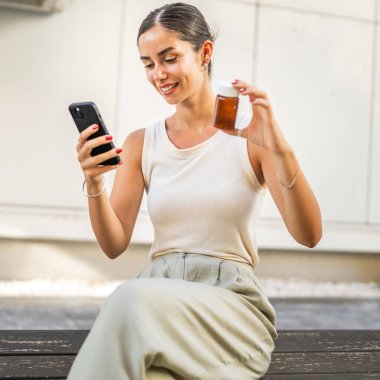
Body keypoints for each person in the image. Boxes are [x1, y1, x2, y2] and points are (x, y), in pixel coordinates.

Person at [68, 2, 322, 379]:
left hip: (228, 311)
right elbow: (113, 244)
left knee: (128, 298)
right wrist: (94, 183)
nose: (159, 74)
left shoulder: (250, 137)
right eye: (148, 63)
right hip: (158, 302)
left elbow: (309, 235)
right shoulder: (141, 143)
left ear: (205, 53)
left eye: (169, 58)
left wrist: (281, 151)